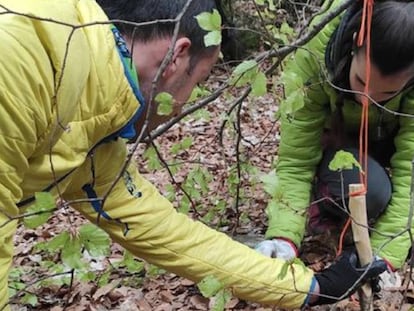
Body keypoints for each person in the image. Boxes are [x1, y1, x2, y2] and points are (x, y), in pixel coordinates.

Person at [0, 0, 386, 310]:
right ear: (177, 57)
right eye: (199, 82)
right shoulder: (24, 58)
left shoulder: (91, 121)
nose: (183, 105)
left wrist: (311, 287)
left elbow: (167, 233)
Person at [256, 0, 414, 274]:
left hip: (383, 140)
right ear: (354, 44)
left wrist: (385, 256)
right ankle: (324, 202)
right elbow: (296, 159)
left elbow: (410, 169)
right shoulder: (314, 58)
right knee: (372, 190)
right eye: (361, 82)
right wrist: (284, 234)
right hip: (337, 147)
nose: (368, 100)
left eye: (386, 95)